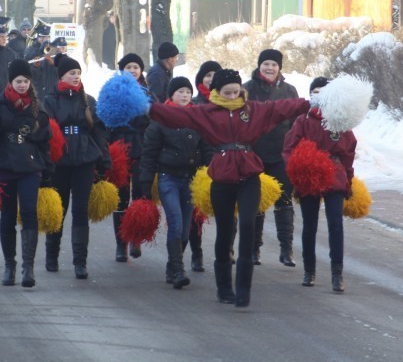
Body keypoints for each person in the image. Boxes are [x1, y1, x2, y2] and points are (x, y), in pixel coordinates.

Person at [149, 69, 309, 308]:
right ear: (217, 93)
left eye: (236, 92)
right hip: (222, 179)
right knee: (225, 232)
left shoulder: (253, 110)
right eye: (228, 93)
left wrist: (311, 102)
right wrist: (146, 109)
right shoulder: (205, 112)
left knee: (247, 226)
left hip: (249, 177)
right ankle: (224, 288)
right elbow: (175, 116)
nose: (234, 96)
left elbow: (282, 107)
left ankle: (243, 289)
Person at [0, 59, 52, 286]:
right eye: (19, 81)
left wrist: (48, 168)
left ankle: (28, 268)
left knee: (28, 212)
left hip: (30, 167)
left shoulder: (37, 108)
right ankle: (10, 266)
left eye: (26, 81)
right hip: (3, 167)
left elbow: (46, 141)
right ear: (11, 82)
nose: (23, 85)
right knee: (7, 215)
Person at [282, 77, 357, 293]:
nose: (319, 95)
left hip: (334, 175)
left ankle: (337, 273)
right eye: (315, 91)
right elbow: (289, 149)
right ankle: (309, 270)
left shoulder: (341, 120)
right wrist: (299, 168)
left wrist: (348, 181)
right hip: (309, 175)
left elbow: (348, 153)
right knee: (310, 225)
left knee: (335, 223)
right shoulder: (303, 121)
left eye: (323, 91)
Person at [140, 76, 213, 288]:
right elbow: (149, 153)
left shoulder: (198, 118)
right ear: (171, 95)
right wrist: (145, 183)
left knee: (185, 228)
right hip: (168, 177)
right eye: (180, 91)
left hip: (190, 179)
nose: (185, 95)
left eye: (188, 92)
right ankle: (179, 270)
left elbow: (207, 148)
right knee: (176, 220)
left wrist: (209, 172)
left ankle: (172, 266)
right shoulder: (160, 120)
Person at [42, 57, 111, 280]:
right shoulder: (50, 100)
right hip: (60, 160)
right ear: (61, 76)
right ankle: (51, 255)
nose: (75, 76)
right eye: (71, 72)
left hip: (84, 158)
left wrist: (103, 158)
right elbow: (44, 132)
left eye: (78, 72)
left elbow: (99, 132)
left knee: (81, 211)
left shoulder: (88, 100)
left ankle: (80, 261)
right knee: (58, 209)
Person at [243, 49, 299, 268]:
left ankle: (286, 250)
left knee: (284, 202)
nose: (270, 68)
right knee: (256, 204)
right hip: (254, 156)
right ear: (259, 66)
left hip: (280, 156)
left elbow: (296, 123)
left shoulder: (289, 90)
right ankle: (254, 249)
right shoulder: (247, 89)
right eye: (266, 63)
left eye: (274, 65)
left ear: (279, 68)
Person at [109, 53, 153, 262]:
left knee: (140, 195)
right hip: (120, 149)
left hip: (142, 149)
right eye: (129, 67)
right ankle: (121, 244)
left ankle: (136, 238)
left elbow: (156, 121)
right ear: (122, 70)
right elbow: (106, 120)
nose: (133, 70)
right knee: (121, 197)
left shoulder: (149, 93)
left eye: (136, 67)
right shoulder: (112, 91)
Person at [187, 60, 223, 272]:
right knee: (197, 212)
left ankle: (226, 249)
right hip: (199, 164)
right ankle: (196, 252)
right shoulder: (194, 104)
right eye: (207, 75)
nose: (210, 79)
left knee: (229, 211)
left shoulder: (231, 103)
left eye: (214, 75)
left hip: (227, 162)